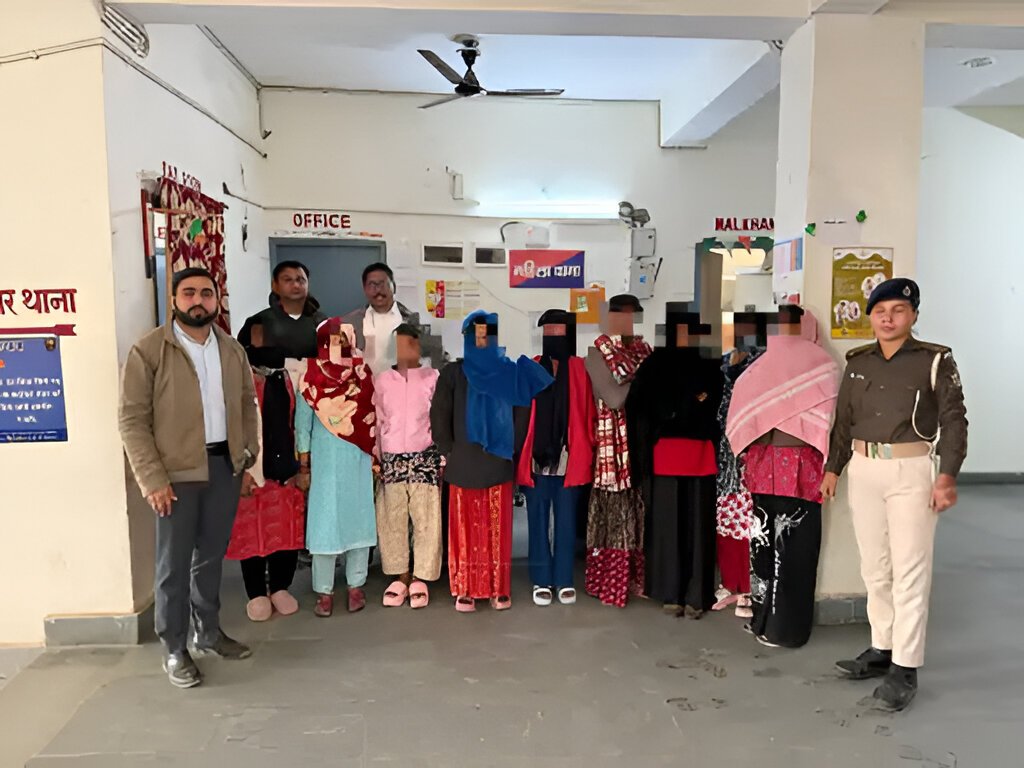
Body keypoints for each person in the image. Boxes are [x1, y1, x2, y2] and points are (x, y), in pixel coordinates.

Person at [821, 278, 968, 712]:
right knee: (875, 566)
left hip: (911, 470)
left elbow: (955, 420)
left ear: (913, 315)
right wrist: (833, 468)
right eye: (880, 311)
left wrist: (947, 476)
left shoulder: (935, 360)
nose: (888, 318)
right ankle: (882, 647)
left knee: (910, 570)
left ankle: (905, 667)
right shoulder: (858, 362)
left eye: (898, 310)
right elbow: (843, 420)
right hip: (864, 468)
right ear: (870, 316)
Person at [119, 267, 259, 689]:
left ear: (217, 300)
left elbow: (246, 404)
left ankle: (208, 632)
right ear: (175, 300)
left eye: (206, 293)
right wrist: (152, 479)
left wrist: (245, 459)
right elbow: (132, 420)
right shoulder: (150, 351)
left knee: (211, 557)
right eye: (189, 293)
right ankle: (174, 647)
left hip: (223, 467)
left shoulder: (231, 349)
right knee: (173, 565)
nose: (198, 300)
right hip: (175, 474)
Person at [726, 307, 839, 647]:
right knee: (795, 552)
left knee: (761, 547)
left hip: (763, 465)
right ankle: (786, 631)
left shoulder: (757, 368)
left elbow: (740, 418)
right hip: (802, 467)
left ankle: (760, 621)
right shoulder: (823, 365)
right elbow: (829, 418)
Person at [430, 311, 552, 612]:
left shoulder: (509, 372)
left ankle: (498, 588)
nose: (482, 341)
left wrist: (510, 449)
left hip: (498, 463)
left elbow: (521, 413)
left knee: (496, 529)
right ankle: (466, 588)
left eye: (487, 335)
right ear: (467, 339)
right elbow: (439, 415)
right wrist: (449, 451)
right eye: (477, 336)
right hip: (463, 462)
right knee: (465, 530)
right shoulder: (453, 374)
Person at [230, 261, 326, 621]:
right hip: (259, 408)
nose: (295, 284)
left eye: (301, 278)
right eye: (288, 279)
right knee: (253, 512)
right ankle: (256, 590)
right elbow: (244, 363)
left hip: (299, 418)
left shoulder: (321, 325)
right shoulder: (260, 322)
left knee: (289, 511)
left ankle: (281, 585)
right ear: (276, 285)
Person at [627, 308, 723, 618]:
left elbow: (714, 400)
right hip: (670, 453)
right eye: (681, 330)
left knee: (696, 526)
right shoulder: (658, 364)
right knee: (669, 526)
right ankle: (672, 593)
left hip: (696, 453)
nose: (686, 337)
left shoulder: (708, 364)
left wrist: (678, 410)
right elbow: (641, 405)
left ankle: (695, 595)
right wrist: (686, 406)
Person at [294, 319, 378, 617]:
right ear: (321, 343)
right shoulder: (310, 378)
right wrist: (304, 467)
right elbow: (302, 426)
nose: (339, 346)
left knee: (358, 520)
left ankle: (356, 586)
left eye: (344, 339)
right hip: (325, 465)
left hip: (357, 460)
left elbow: (373, 419)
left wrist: (376, 458)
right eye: (332, 340)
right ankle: (324, 591)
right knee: (325, 526)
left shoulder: (362, 374)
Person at [516, 310, 596, 606]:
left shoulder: (580, 369)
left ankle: (563, 579)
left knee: (566, 522)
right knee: (537, 521)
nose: (552, 336)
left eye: (558, 330)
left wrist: (589, 446)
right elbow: (519, 411)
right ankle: (541, 579)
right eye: (547, 330)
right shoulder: (532, 366)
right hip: (535, 458)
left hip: (568, 457)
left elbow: (588, 412)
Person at [583, 295, 652, 608]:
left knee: (637, 515)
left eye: (631, 315)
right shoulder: (596, 354)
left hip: (640, 443)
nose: (626, 321)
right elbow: (614, 399)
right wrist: (643, 380)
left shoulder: (644, 350)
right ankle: (610, 582)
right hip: (613, 451)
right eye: (620, 315)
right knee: (614, 518)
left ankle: (636, 580)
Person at [373, 324, 442, 608]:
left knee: (426, 519)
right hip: (391, 458)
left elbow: (439, 418)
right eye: (401, 344)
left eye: (411, 343)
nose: (406, 349)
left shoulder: (432, 378)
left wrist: (441, 454)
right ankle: (400, 575)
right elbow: (377, 419)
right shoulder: (382, 380)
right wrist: (376, 455)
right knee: (393, 519)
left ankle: (421, 577)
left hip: (424, 456)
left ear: (419, 345)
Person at [340, 262, 418, 379]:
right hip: (365, 388)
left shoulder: (413, 322)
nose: (378, 290)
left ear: (394, 287)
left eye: (383, 284)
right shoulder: (348, 323)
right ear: (365, 289)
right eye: (372, 285)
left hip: (401, 387)